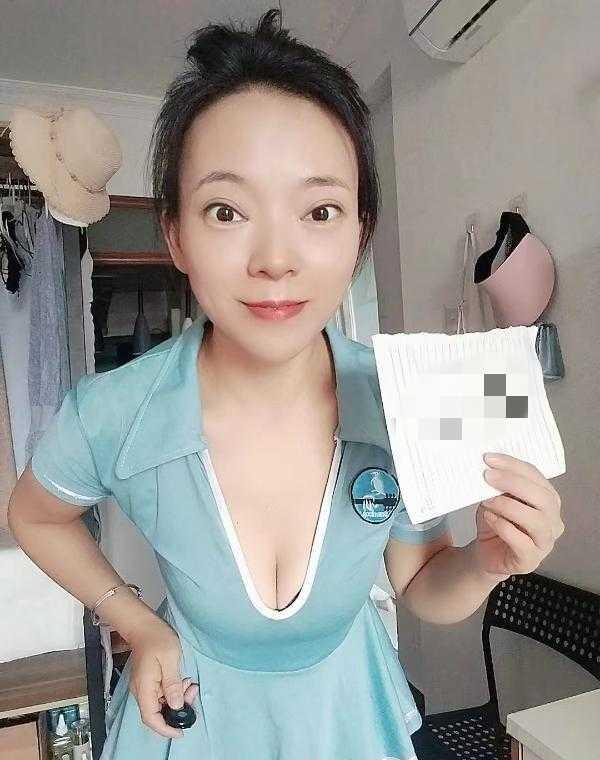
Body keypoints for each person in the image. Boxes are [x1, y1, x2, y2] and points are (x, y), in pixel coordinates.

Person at [8, 8, 565, 760]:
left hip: (347, 717)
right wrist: (135, 622)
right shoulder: (114, 410)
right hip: (190, 721)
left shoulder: (399, 401)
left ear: (360, 233)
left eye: (320, 210)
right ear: (176, 235)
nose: (276, 258)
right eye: (227, 210)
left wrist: (488, 560)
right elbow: (36, 516)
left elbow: (423, 581)